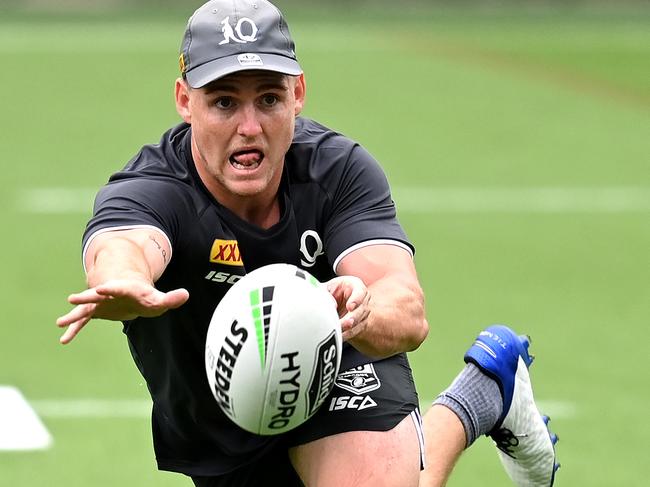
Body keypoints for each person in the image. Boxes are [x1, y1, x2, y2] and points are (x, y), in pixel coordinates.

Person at [57, 1, 559, 486]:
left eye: (269, 99)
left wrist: (364, 313)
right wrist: (122, 281)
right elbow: (124, 244)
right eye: (224, 101)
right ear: (186, 101)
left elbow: (405, 307)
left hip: (339, 362)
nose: (249, 127)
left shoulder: (337, 171)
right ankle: (484, 393)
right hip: (220, 423)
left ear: (298, 94)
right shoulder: (155, 187)